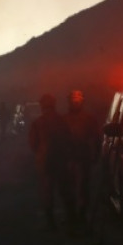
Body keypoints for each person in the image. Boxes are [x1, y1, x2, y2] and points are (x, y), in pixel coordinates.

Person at [28, 93, 77, 233]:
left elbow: (33, 144)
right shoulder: (62, 121)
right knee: (65, 191)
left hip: (45, 163)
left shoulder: (38, 123)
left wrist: (40, 154)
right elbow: (70, 140)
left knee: (47, 192)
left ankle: (51, 224)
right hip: (61, 162)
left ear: (42, 106)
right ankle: (71, 221)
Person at [65, 89, 101, 228]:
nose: (75, 103)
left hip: (81, 159)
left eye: (77, 100)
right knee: (72, 189)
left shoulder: (88, 118)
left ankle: (80, 216)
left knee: (81, 188)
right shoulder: (65, 119)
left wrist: (96, 155)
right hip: (70, 159)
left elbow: (97, 138)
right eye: (73, 100)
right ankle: (75, 217)